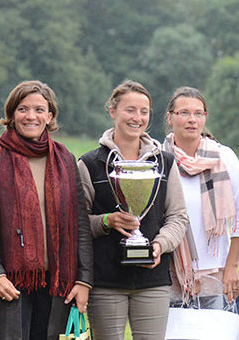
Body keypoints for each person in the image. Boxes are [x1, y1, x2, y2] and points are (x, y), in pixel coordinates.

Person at [0, 80, 93, 339]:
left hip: (57, 284)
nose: (31, 116)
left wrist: (84, 280)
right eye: (23, 109)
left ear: (50, 116)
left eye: (39, 110)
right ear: (11, 114)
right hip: (7, 281)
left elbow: (80, 225)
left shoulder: (65, 159)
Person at [77, 80, 189, 339]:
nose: (137, 118)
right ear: (113, 111)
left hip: (153, 279)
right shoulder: (90, 164)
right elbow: (78, 223)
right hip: (105, 281)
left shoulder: (166, 162)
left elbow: (178, 216)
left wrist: (160, 245)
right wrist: (106, 221)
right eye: (130, 110)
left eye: (144, 111)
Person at [163, 87, 239, 309]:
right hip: (170, 274)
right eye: (184, 113)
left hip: (216, 274)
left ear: (205, 118)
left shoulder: (224, 157)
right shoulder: (158, 159)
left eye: (198, 113)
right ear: (170, 117)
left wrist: (231, 267)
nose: (192, 120)